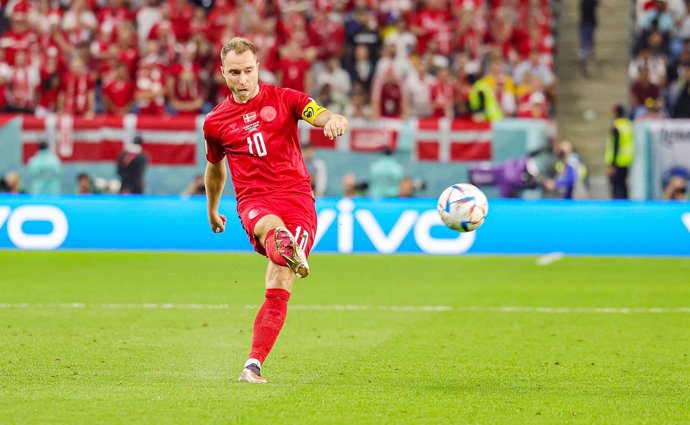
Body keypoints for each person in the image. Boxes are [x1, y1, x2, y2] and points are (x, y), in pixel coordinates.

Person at [203, 37, 349, 384]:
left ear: (258, 67)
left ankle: (253, 364)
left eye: (248, 71)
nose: (242, 79)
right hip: (254, 200)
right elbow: (215, 168)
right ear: (223, 73)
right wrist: (212, 209)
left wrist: (334, 119)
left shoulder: (286, 99)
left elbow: (318, 112)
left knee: (280, 276)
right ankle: (281, 241)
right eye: (235, 72)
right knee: (270, 229)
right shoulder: (215, 122)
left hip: (296, 197)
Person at [605, 104, 634, 199]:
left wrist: (612, 164)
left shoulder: (616, 126)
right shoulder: (628, 125)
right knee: (623, 185)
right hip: (627, 160)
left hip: (617, 160)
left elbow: (615, 146)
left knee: (616, 187)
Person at [579, 0, 599, 78]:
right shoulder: (585, 2)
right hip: (586, 26)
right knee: (585, 47)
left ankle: (586, 62)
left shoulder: (587, 2)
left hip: (589, 25)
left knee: (588, 45)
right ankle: (584, 66)